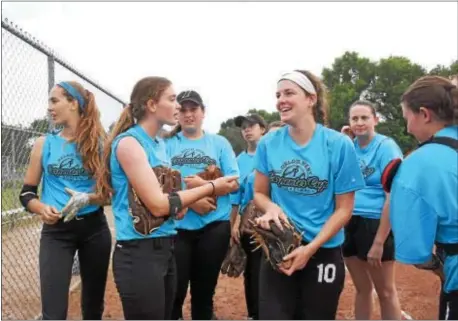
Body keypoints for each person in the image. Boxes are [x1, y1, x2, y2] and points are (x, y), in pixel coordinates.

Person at [95, 78, 238, 320]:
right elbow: (159, 204)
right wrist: (210, 187)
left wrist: (180, 205)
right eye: (172, 100)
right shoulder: (130, 143)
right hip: (138, 251)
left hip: (165, 245)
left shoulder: (159, 144)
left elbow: (169, 202)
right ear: (151, 105)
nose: (179, 108)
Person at [252, 70, 366, 320]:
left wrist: (310, 248)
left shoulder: (338, 144)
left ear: (311, 99)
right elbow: (259, 193)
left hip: (323, 248)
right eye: (278, 94)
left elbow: (344, 209)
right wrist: (270, 208)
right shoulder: (269, 143)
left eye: (289, 93)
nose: (281, 99)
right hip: (280, 248)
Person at [19, 81, 112, 320]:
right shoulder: (44, 144)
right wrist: (41, 208)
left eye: (54, 100)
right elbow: (26, 193)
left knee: (92, 308)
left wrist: (87, 199)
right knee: (53, 311)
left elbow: (111, 195)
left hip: (94, 229)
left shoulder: (101, 143)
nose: (49, 107)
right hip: (56, 231)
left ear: (73, 103)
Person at [387, 75, 458, 320]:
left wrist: (442, 270)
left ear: (424, 114)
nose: (407, 127)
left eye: (407, 118)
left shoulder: (417, 164)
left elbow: (416, 253)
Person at [166, 90, 240, 320]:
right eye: (183, 110)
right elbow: (158, 182)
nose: (188, 115)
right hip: (178, 227)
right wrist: (194, 197)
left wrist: (205, 187)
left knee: (203, 293)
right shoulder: (167, 143)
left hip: (213, 226)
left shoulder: (218, 143)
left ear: (203, 113)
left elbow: (234, 182)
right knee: (174, 292)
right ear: (176, 114)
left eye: (193, 109)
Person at [340, 100, 403, 320]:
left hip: (375, 222)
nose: (359, 123)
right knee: (362, 288)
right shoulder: (349, 146)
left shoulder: (386, 146)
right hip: (349, 221)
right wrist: (345, 140)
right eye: (354, 118)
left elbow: (393, 196)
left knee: (385, 291)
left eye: (364, 117)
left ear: (375, 120)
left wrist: (378, 242)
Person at [230, 113, 267, 320]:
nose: (247, 129)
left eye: (252, 125)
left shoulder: (272, 154)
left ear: (263, 128)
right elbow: (235, 198)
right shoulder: (238, 161)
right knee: (252, 269)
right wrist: (233, 225)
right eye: (243, 126)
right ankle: (255, 314)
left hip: (274, 219)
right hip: (248, 221)